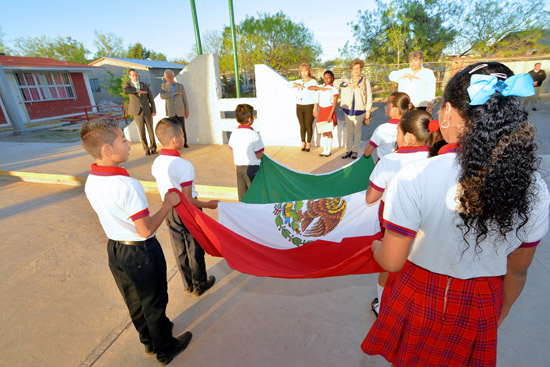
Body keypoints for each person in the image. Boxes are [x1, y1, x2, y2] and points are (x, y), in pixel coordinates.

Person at [362, 62, 548, 367]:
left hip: (419, 295)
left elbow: (392, 260)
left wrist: (376, 248)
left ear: (447, 112)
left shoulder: (414, 176)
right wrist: (497, 316)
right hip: (482, 301)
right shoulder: (535, 187)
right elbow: (517, 271)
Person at [81, 118, 192, 366]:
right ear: (107, 150)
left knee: (134, 300)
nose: (129, 142)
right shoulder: (127, 185)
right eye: (122, 139)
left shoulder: (92, 180)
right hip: (141, 252)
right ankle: (165, 348)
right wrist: (167, 205)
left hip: (115, 249)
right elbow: (145, 229)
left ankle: (149, 341)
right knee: (154, 301)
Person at [365, 110, 441, 317]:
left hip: (396, 225)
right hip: (428, 225)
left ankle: (382, 306)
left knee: (389, 263)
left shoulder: (390, 161)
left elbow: (371, 198)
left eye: (398, 132)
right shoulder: (437, 158)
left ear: (408, 137)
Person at [151, 118, 217, 296]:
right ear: (174, 139)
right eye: (181, 133)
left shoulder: (157, 162)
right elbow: (188, 199)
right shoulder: (184, 165)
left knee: (179, 246)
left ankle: (188, 283)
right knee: (195, 246)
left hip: (169, 210)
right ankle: (200, 283)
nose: (183, 136)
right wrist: (208, 205)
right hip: (187, 209)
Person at [228, 104, 265, 200]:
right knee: (255, 194)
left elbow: (232, 150)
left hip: (239, 168)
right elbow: (259, 155)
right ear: (249, 119)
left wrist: (235, 166)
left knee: (242, 195)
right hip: (253, 169)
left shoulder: (234, 133)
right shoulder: (254, 135)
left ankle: (243, 213)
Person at [363, 92, 414, 162]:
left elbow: (367, 153)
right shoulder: (412, 126)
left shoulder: (382, 129)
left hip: (384, 167)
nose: (385, 107)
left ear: (395, 109)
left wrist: (368, 141)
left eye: (387, 104)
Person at [340, 59, 373, 160]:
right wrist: (348, 85)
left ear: (361, 69)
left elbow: (369, 96)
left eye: (358, 68)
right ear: (351, 69)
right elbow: (339, 84)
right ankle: (348, 150)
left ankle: (355, 151)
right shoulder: (347, 80)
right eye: (354, 68)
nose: (356, 70)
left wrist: (367, 111)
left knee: (357, 131)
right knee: (349, 131)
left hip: (360, 110)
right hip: (348, 110)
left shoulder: (365, 81)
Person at [123, 69, 157, 155]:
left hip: (147, 110)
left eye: (136, 75)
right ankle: (146, 149)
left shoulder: (144, 85)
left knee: (150, 130)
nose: (135, 77)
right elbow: (126, 90)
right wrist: (137, 91)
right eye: (133, 75)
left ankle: (153, 148)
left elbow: (151, 99)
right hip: (137, 111)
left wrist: (153, 110)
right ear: (130, 76)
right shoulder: (128, 85)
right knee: (141, 131)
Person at [309, 70, 339, 157]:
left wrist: (330, 115)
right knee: (323, 131)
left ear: (332, 78)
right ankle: (324, 150)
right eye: (325, 78)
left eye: (328, 78)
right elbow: (310, 87)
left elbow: (335, 103)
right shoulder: (321, 86)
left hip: (329, 110)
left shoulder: (334, 89)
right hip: (322, 110)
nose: (326, 80)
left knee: (329, 131)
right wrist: (321, 88)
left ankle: (328, 150)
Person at [291, 63, 318, 152]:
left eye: (306, 71)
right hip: (299, 106)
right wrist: (295, 85)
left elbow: (316, 95)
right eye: (302, 71)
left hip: (309, 106)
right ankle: (303, 143)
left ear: (309, 72)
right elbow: (288, 85)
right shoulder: (299, 81)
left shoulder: (313, 82)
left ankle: (309, 143)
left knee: (308, 125)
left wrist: (315, 108)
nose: (304, 73)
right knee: (302, 126)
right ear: (300, 72)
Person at [160, 69, 190, 148]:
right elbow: (162, 96)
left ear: (173, 77)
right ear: (165, 78)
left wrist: (187, 111)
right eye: (168, 77)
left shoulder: (180, 86)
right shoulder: (164, 86)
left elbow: (185, 99)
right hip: (171, 111)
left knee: (181, 128)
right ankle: (176, 144)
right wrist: (173, 94)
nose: (170, 78)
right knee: (173, 129)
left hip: (180, 110)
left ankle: (184, 143)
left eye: (171, 77)